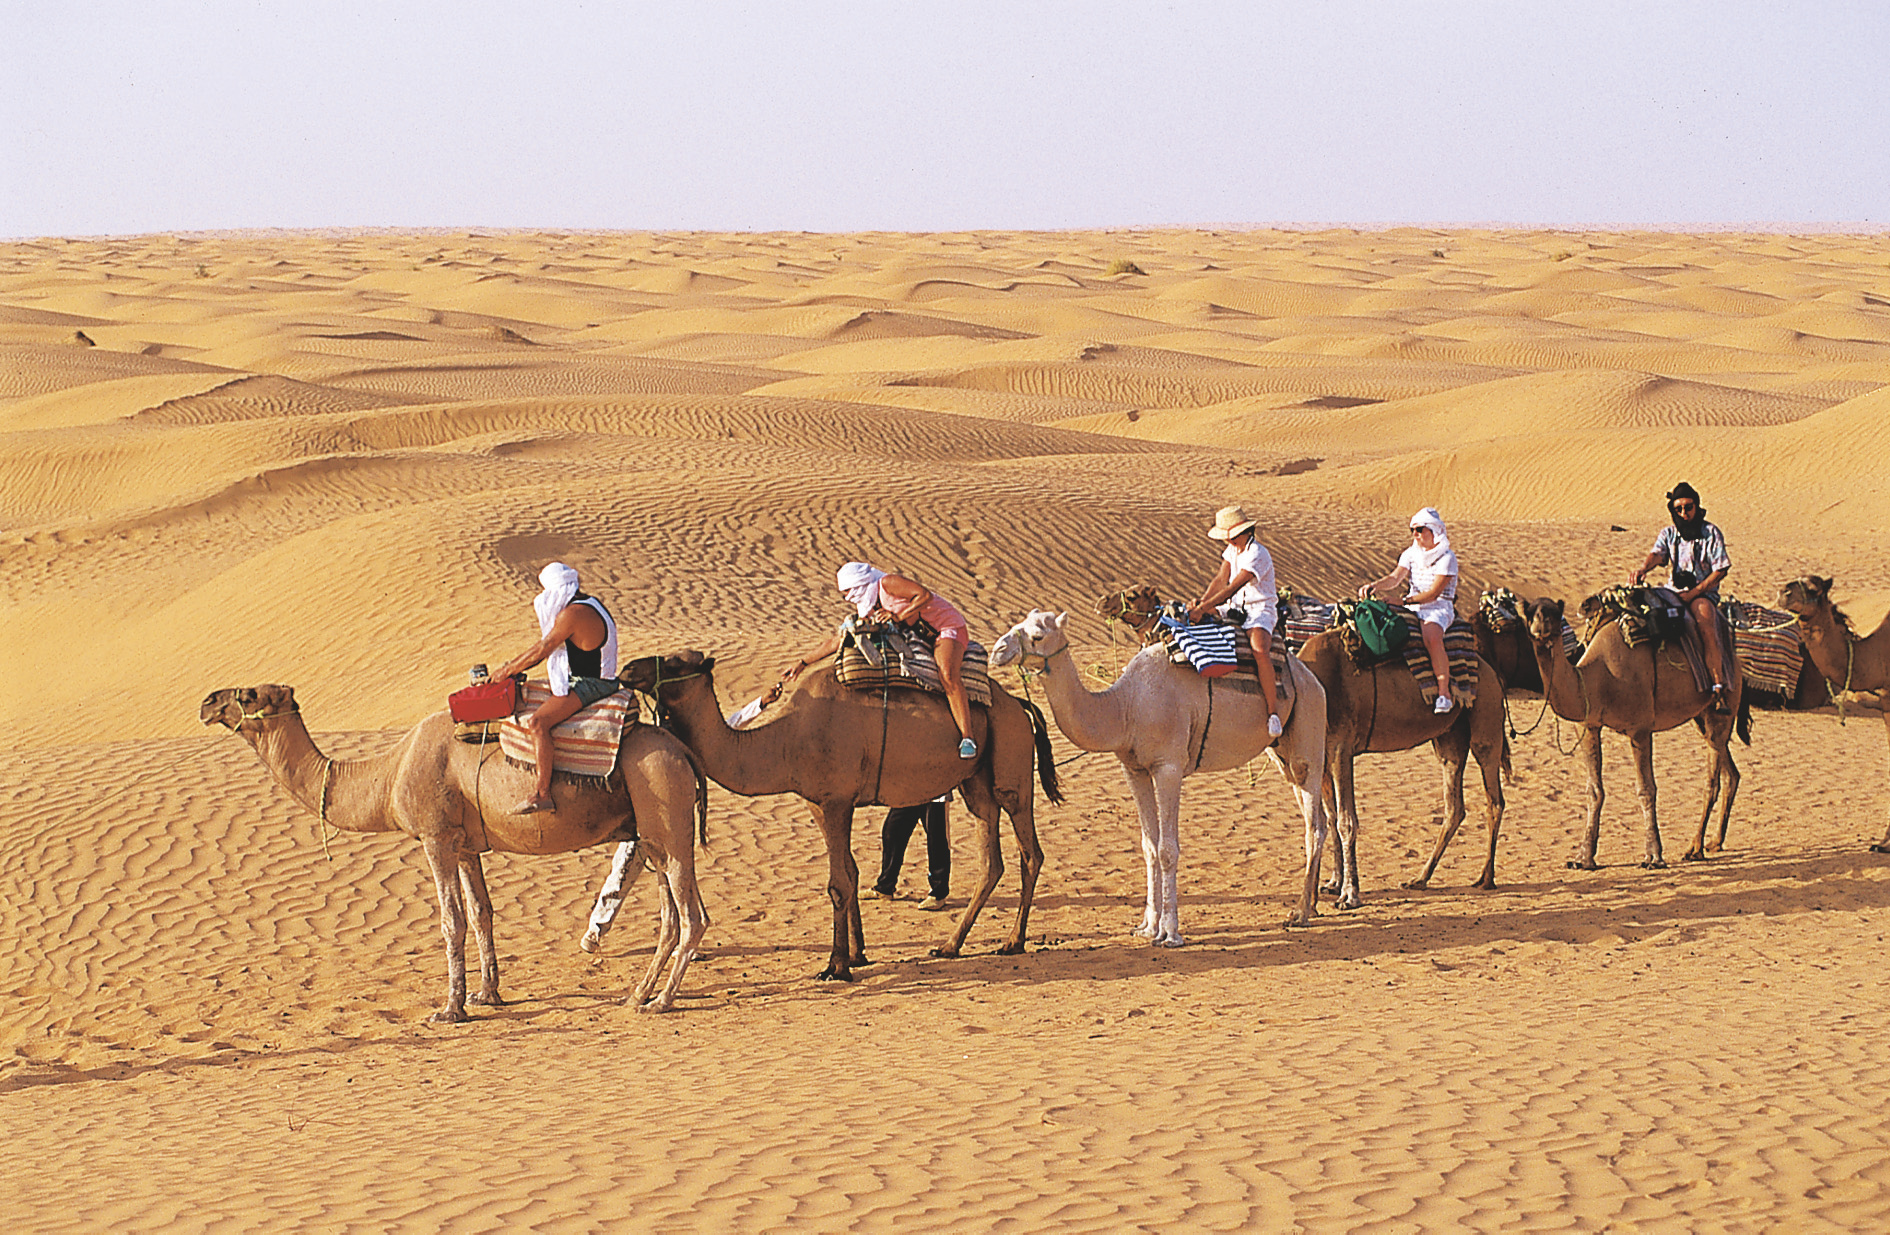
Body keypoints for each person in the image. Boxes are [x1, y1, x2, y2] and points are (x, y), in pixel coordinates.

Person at [785, 562, 980, 759]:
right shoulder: (869, 607)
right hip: (915, 636)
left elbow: (924, 596)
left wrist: (895, 615)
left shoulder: (887, 584)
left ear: (858, 582)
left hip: (945, 628)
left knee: (947, 673)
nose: (846, 597)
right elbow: (838, 640)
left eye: (847, 591)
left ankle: (967, 737)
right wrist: (803, 663)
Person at [495, 562, 619, 814]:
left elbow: (543, 649)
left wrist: (506, 672)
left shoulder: (572, 614)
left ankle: (542, 793)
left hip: (592, 683)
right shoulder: (588, 602)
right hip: (584, 676)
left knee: (538, 723)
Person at [1631, 480, 1732, 709]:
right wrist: (1643, 569)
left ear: (1696, 507)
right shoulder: (1668, 533)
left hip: (1702, 593)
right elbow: (1657, 555)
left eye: (1688, 507)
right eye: (1679, 509)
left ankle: (1718, 686)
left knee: (1706, 623)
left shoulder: (1710, 532)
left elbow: (1720, 570)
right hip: (1672, 591)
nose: (1684, 513)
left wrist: (1695, 593)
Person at [1187, 505, 1284, 739]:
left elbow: (1234, 586)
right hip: (1233, 607)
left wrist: (1204, 608)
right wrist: (1203, 603)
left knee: (1259, 647)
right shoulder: (1232, 552)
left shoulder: (1258, 553)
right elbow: (1221, 579)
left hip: (1258, 608)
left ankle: (1273, 712)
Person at [1359, 507, 1460, 713]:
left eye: (1420, 529)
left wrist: (1403, 601)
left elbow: (1433, 594)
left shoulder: (1447, 558)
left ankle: (1444, 694)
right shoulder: (1411, 554)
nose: (1415, 534)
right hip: (1412, 604)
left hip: (1437, 607)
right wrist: (1375, 586)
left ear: (1433, 531)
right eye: (1412, 530)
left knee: (1431, 636)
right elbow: (1395, 577)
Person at [866, 793, 952, 910]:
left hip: (937, 791)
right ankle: (885, 887)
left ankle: (938, 894)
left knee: (936, 838)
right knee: (892, 830)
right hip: (910, 790)